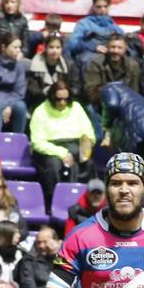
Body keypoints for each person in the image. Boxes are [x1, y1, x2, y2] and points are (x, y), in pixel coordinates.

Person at [44, 152, 144, 288]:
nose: (124, 190)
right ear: (106, 189)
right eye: (116, 183)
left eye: (132, 183)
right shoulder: (80, 236)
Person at [27, 76, 95, 209]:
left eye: (66, 99)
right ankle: (54, 204)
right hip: (50, 149)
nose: (63, 102)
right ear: (52, 97)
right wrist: (62, 153)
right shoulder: (41, 111)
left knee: (85, 163)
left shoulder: (76, 107)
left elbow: (88, 133)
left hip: (75, 145)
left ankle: (79, 204)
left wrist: (85, 149)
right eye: (58, 99)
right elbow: (37, 142)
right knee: (53, 165)